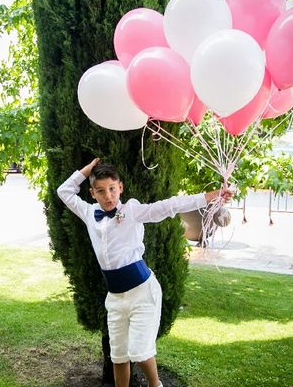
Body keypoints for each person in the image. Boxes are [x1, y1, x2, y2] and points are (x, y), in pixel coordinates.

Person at [57, 158, 232, 387]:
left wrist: (208, 197)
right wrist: (87, 169)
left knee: (139, 352)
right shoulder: (89, 214)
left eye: (112, 189)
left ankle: (155, 385)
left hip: (142, 292)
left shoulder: (132, 211)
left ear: (120, 187)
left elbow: (169, 206)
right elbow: (64, 191)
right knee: (118, 355)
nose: (108, 196)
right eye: (100, 191)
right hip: (116, 298)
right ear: (92, 193)